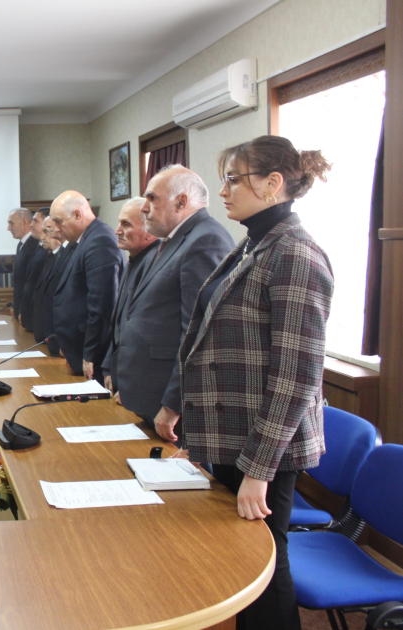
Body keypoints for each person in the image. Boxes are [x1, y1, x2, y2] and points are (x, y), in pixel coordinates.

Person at [176, 136, 333, 629]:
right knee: (242, 558)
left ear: (272, 184)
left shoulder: (296, 254)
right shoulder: (255, 243)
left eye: (232, 179)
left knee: (266, 562)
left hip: (267, 447)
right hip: (234, 434)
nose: (223, 189)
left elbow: (297, 375)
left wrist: (259, 469)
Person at [105, 178, 233, 432]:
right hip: (150, 395)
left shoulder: (205, 240)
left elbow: (198, 333)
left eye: (152, 198)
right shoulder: (173, 239)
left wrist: (174, 404)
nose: (144, 207)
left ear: (181, 202)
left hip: (171, 405)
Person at [50, 191, 121, 379]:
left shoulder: (100, 240)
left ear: (77, 215)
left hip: (91, 354)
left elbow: (102, 306)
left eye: (59, 221)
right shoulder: (84, 239)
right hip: (77, 351)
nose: (56, 228)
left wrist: (90, 353)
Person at [101, 197, 158, 401]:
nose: (117, 230)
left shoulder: (154, 264)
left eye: (126, 224)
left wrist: (131, 385)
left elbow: (144, 334)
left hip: (138, 385)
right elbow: (120, 323)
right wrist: (109, 364)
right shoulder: (133, 258)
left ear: (149, 229)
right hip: (120, 377)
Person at [30, 211, 63, 347]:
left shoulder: (63, 257)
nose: (42, 237)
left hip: (55, 334)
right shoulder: (49, 256)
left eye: (47, 231)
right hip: (44, 332)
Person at [7, 208, 39, 326]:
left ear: (25, 222)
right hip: (20, 308)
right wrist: (15, 305)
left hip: (28, 312)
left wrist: (23, 310)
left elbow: (30, 283)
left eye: (11, 223)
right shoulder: (21, 244)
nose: (8, 228)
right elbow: (19, 280)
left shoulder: (35, 244)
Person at [20, 208, 48, 331]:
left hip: (40, 321)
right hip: (30, 318)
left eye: (36, 221)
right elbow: (28, 283)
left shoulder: (49, 251)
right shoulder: (39, 247)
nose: (31, 224)